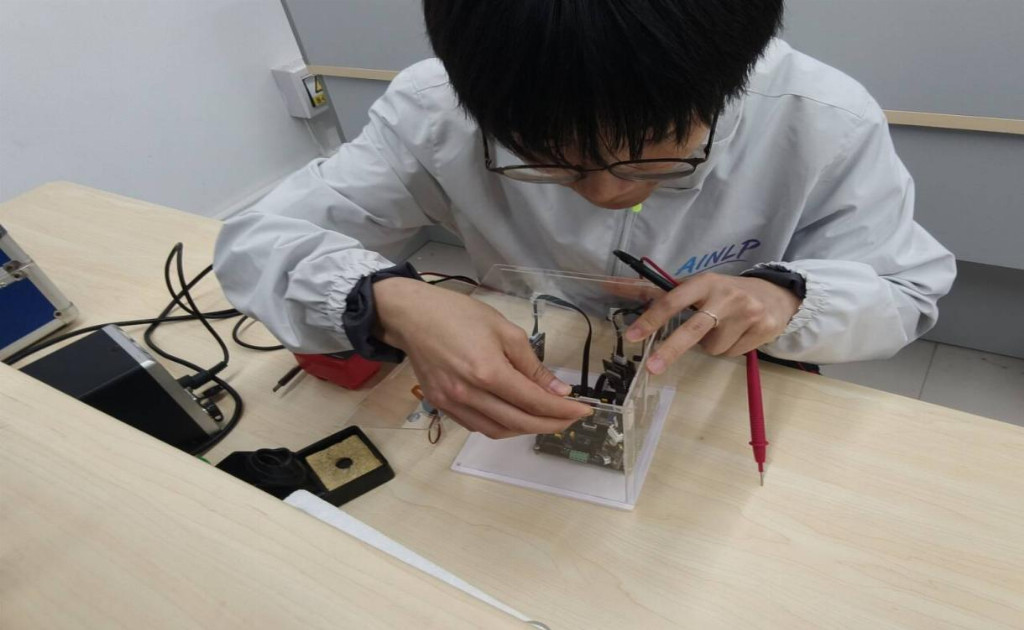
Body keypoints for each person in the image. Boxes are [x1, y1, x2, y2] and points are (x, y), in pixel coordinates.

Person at [214, 0, 955, 439]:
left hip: (732, 390)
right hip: (541, 366)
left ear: (727, 85)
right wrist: (386, 301)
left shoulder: (821, 118)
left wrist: (785, 296)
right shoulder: (436, 109)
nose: (605, 193)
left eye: (653, 160)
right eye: (552, 162)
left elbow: (905, 291)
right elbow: (256, 241)